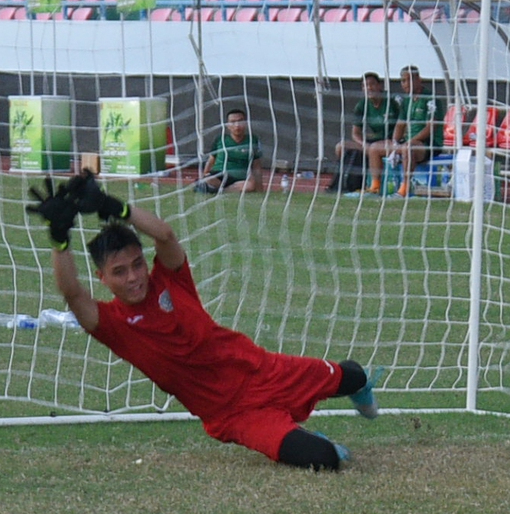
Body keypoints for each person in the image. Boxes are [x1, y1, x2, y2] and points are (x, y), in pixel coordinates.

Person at [34, 173, 382, 470]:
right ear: (103, 278)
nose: (133, 277)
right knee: (324, 460)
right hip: (232, 414)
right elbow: (71, 292)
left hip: (261, 369)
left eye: (137, 264)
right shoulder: (110, 323)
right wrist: (59, 238)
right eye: (119, 272)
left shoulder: (170, 279)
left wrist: (114, 206)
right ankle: (301, 435)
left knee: (353, 376)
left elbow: (165, 236)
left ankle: (359, 387)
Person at [334, 72, 400, 194]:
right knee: (340, 146)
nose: (369, 88)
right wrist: (364, 144)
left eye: (372, 84)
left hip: (393, 139)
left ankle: (375, 186)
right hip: (374, 140)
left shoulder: (392, 102)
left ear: (380, 86)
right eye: (365, 85)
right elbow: (355, 133)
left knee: (374, 149)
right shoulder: (362, 105)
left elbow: (403, 124)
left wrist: (395, 139)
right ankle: (342, 181)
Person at [391, 66, 442, 196]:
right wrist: (395, 142)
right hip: (409, 142)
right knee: (375, 147)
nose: (406, 84)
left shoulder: (430, 99)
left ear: (418, 79)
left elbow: (431, 127)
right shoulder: (406, 100)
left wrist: (409, 142)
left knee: (408, 148)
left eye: (409, 80)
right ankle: (375, 186)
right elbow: (400, 125)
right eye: (403, 81)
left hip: (429, 144)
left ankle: (405, 187)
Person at [197, 107, 266, 195]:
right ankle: (216, 188)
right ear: (228, 125)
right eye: (233, 122)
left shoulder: (253, 140)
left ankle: (221, 192)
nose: (237, 125)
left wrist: (260, 188)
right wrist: (204, 176)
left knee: (250, 185)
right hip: (220, 175)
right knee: (208, 180)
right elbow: (211, 160)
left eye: (240, 121)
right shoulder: (220, 139)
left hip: (240, 177)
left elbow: (257, 165)